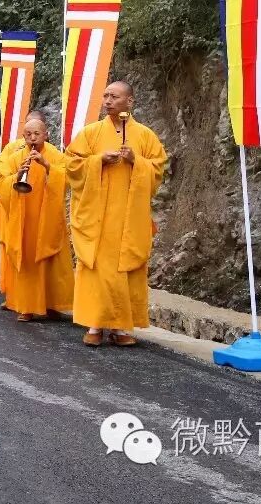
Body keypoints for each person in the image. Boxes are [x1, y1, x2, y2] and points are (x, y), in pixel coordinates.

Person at [67, 82, 167, 347]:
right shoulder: (90, 133)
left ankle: (121, 326)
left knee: (127, 268)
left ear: (129, 101)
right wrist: (98, 160)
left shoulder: (145, 136)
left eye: (114, 96)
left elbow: (158, 170)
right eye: (105, 96)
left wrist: (136, 161)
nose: (108, 101)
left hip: (128, 218)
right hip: (98, 218)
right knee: (98, 269)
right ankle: (94, 324)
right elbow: (72, 165)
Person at [0, 117, 74, 321]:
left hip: (48, 218)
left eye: (37, 134)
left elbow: (69, 177)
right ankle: (26, 306)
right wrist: (16, 176)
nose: (33, 138)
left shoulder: (55, 155)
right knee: (27, 260)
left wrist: (47, 165)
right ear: (23, 136)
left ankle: (52, 304)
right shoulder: (16, 157)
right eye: (28, 134)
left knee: (50, 261)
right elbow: (0, 179)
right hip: (24, 220)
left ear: (46, 134)